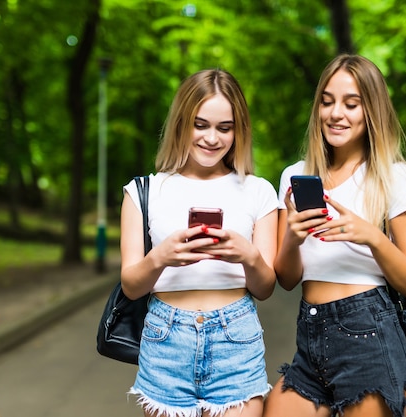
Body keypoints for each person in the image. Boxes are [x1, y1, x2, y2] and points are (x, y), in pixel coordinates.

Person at [263, 54, 406, 417]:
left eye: (351, 104)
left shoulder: (395, 178)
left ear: (372, 111)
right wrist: (291, 236)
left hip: (370, 339)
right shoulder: (295, 175)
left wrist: (371, 236)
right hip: (310, 340)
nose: (335, 113)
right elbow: (288, 279)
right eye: (327, 101)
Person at [120, 69, 278, 417]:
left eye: (225, 127)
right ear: (181, 123)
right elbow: (131, 286)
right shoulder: (144, 191)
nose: (212, 138)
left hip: (236, 339)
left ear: (239, 131)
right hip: (165, 340)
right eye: (200, 124)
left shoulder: (259, 191)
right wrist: (160, 257)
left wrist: (248, 256)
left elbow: (265, 288)